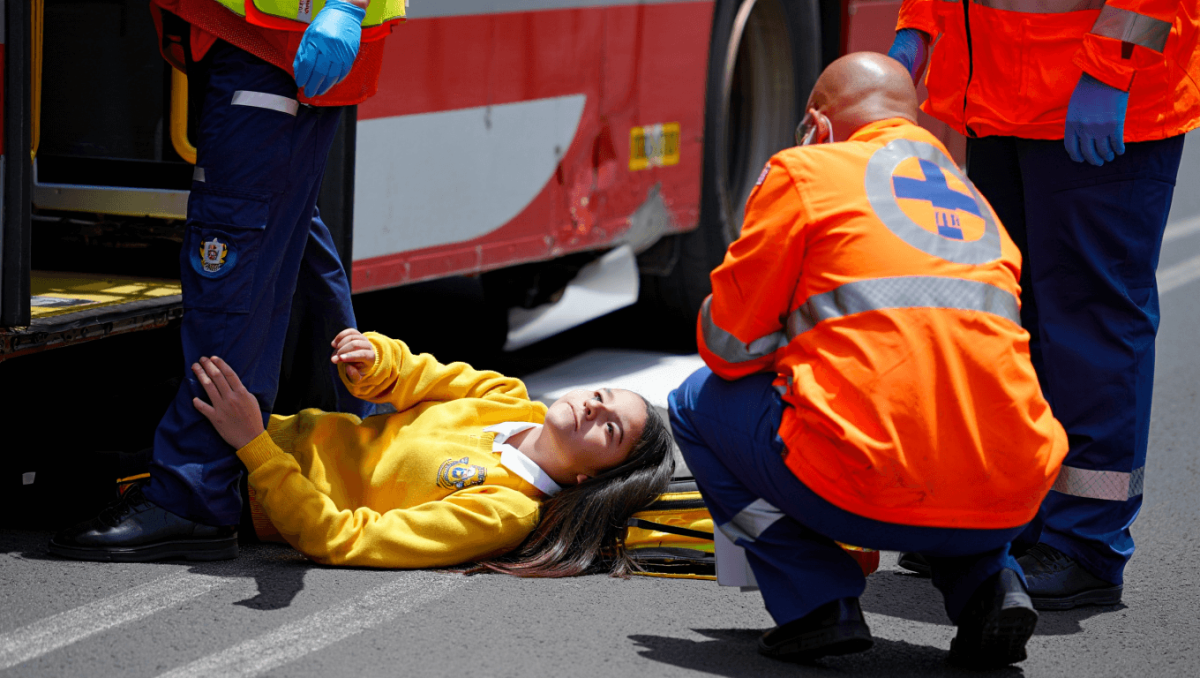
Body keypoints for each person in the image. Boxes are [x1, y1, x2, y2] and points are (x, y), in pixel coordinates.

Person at [668, 53, 1068, 667]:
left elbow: (727, 346)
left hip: (859, 489)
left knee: (693, 404)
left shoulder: (806, 170)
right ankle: (990, 587)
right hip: (1009, 498)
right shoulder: (975, 205)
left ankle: (815, 600)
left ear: (816, 124)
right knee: (957, 418)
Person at [48, 0, 405, 561]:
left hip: (276, 44)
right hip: (260, 40)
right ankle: (351, 441)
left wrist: (345, 6)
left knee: (231, 268)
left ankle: (192, 496)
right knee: (280, 240)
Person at [888, 0, 1199, 609]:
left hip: (1096, 97)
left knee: (1089, 325)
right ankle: (1018, 521)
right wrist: (919, 25)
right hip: (999, 94)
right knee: (1011, 319)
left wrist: (1111, 69)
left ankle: (1086, 543)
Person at [52, 328, 676, 573]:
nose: (593, 407)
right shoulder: (508, 399)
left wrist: (254, 448)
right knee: (72, 409)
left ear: (591, 479)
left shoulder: (507, 512)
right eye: (602, 396)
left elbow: (345, 540)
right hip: (253, 427)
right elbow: (415, 374)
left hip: (238, 489)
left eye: (610, 430)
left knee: (55, 483)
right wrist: (374, 358)